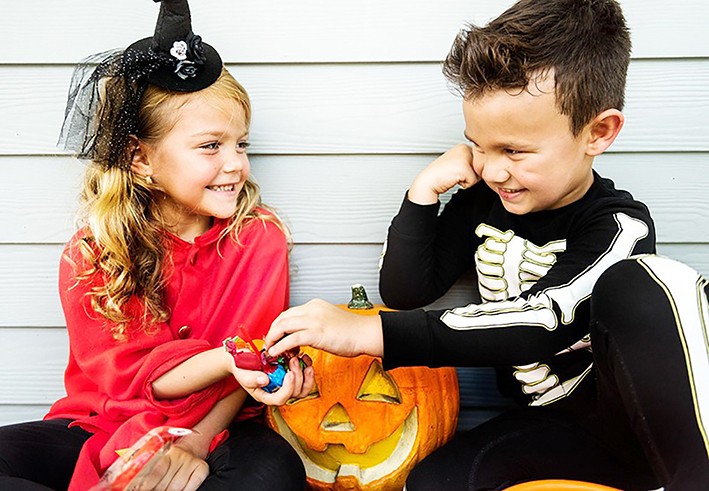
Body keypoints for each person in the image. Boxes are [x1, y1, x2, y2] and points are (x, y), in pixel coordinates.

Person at [265, 0, 709, 489]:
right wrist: (423, 194)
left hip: (637, 436)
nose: (494, 170)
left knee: (645, 281)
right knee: (432, 483)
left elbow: (545, 321)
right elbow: (407, 291)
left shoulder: (620, 225)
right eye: (479, 145)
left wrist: (366, 334)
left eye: (514, 151)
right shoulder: (485, 200)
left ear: (598, 132)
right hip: (547, 428)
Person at [0, 1, 313, 490]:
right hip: (103, 420)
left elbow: (245, 368)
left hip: (219, 422)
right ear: (140, 158)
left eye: (241, 144)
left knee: (273, 475)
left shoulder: (258, 238)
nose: (235, 164)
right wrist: (229, 356)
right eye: (212, 146)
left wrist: (195, 440)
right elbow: (139, 380)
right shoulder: (93, 252)